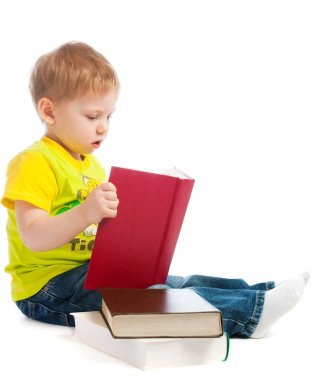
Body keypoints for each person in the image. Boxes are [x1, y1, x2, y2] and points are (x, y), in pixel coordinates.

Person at [1, 41, 309, 338]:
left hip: (89, 272)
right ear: (49, 112)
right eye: (92, 116)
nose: (103, 127)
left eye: (109, 116)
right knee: (156, 298)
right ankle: (249, 315)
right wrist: (87, 212)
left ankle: (259, 294)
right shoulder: (34, 162)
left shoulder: (90, 165)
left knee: (174, 283)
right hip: (47, 287)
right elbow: (34, 235)